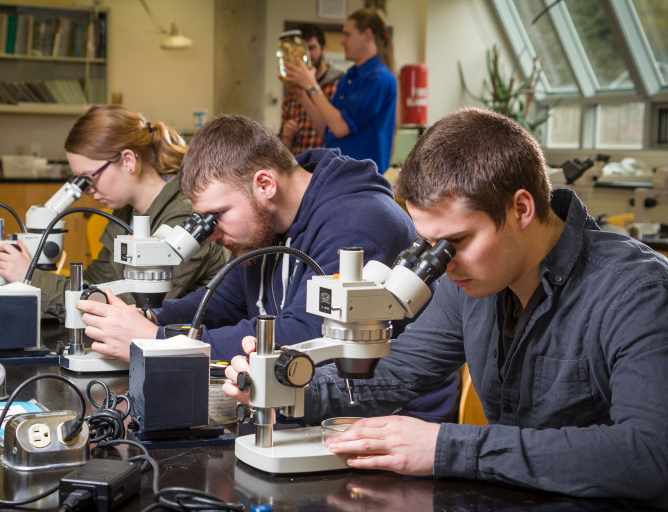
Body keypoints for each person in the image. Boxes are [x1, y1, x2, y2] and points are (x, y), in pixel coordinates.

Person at [223, 107, 668, 501]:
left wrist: (445, 447)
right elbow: (397, 374)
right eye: (430, 245)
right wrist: (286, 389)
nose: (444, 264)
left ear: (521, 209)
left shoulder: (635, 292)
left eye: (455, 241)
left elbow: (651, 456)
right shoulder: (471, 282)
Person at [77, 113, 459, 423]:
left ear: (264, 184)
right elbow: (222, 301)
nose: (209, 234)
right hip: (309, 403)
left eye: (217, 215)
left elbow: (307, 333)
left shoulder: (358, 220)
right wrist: (144, 316)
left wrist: (160, 342)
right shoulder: (266, 228)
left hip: (391, 417)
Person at [0, 104, 228, 312]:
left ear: (128, 161)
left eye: (89, 177)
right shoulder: (126, 213)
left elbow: (136, 304)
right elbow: (95, 282)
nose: (86, 191)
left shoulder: (185, 216)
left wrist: (32, 279)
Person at [285, 8, 396, 173]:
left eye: (347, 35)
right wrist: (302, 95)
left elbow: (340, 127)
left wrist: (311, 85)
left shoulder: (379, 78)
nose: (342, 41)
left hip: (361, 179)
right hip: (341, 175)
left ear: (367, 35)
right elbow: (327, 129)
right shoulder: (350, 77)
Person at [279, 24, 343, 155]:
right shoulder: (293, 89)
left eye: (312, 48)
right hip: (298, 165)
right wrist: (287, 136)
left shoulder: (339, 83)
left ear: (323, 49)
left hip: (328, 166)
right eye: (301, 49)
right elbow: (283, 149)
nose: (306, 54)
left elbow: (336, 132)